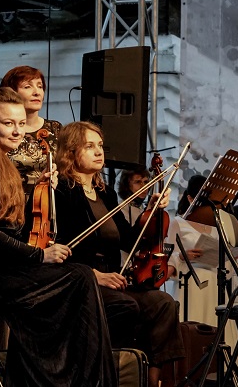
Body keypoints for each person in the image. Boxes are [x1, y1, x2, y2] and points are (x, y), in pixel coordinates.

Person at [0, 89, 115, 386]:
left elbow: (9, 227)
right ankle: (79, 379)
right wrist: (39, 255)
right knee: (79, 277)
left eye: (21, 123)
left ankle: (69, 377)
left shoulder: (1, 164)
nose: (17, 131)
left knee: (79, 276)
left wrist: (40, 189)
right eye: (8, 123)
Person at [52, 121, 184, 387]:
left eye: (100, 145)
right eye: (89, 146)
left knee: (163, 304)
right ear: (70, 152)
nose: (98, 151)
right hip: (82, 282)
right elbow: (58, 249)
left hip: (113, 279)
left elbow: (130, 240)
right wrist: (95, 275)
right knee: (126, 306)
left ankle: (150, 381)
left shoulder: (106, 193)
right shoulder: (61, 191)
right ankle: (108, 373)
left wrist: (152, 210)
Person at [0, 65, 61, 239]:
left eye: (40, 86)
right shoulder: (2, 132)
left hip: (44, 211)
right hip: (9, 209)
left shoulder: (55, 129)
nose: (37, 92)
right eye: (27, 86)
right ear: (11, 93)